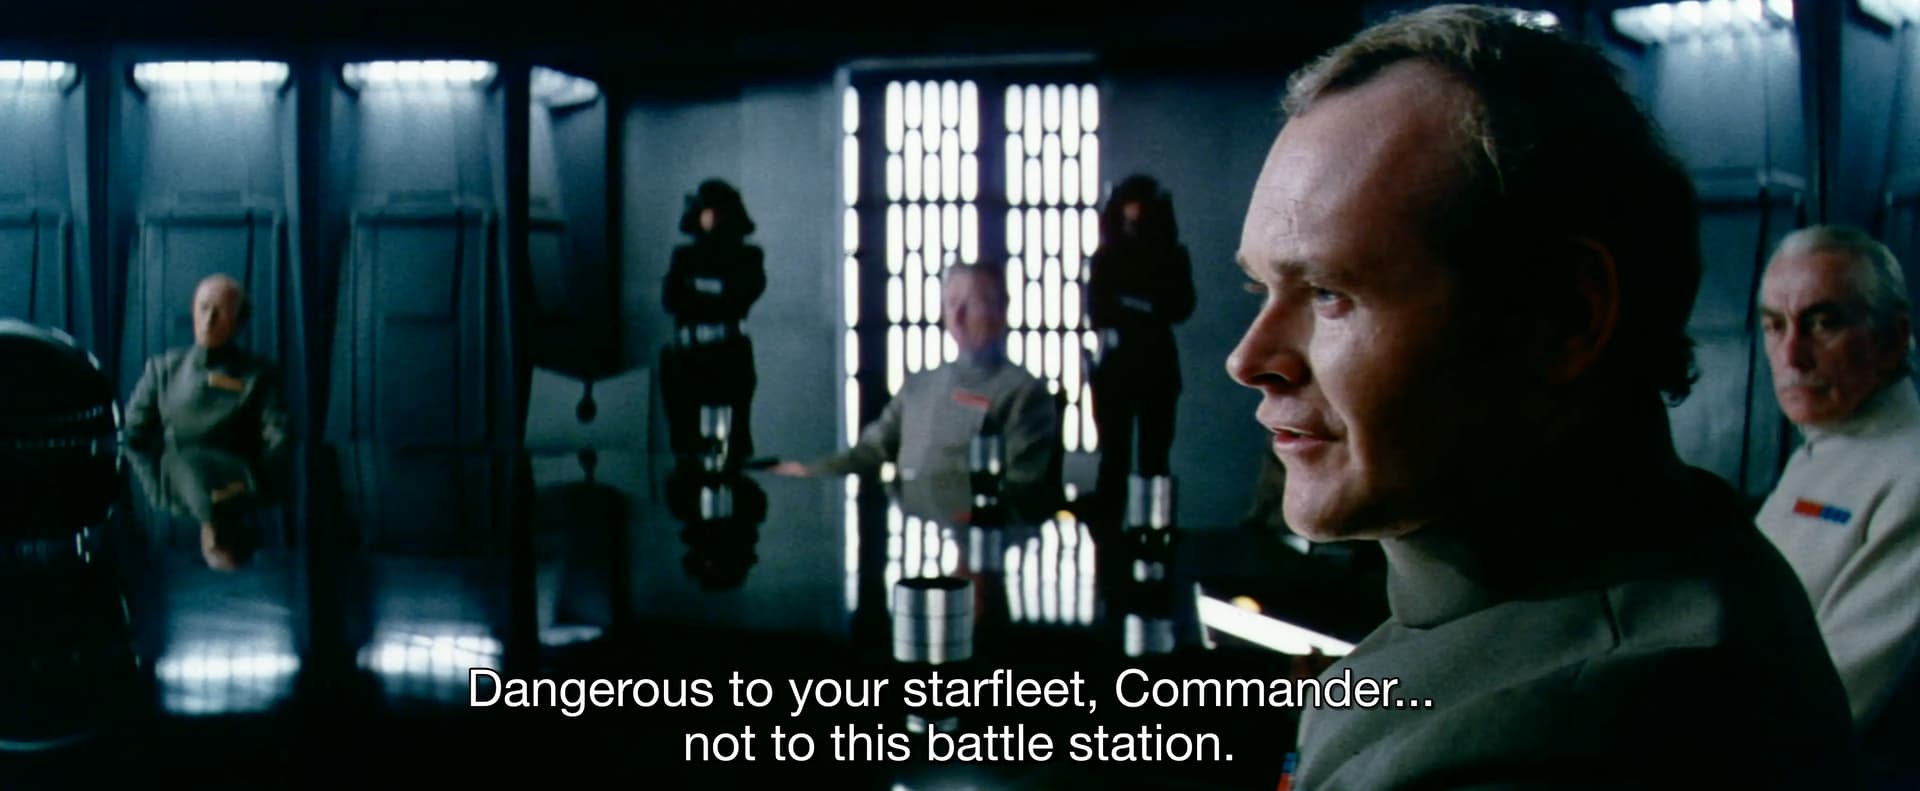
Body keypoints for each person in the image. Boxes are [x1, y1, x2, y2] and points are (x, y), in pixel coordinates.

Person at [1227, 6, 1860, 788]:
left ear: (1566, 315)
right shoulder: (1669, 555)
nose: (1249, 359)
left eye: (1329, 292)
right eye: (1260, 288)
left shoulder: (1568, 731)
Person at [1755, 225, 1920, 785]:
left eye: (1823, 323)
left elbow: (1833, 703)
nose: (1792, 356)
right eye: (1775, 326)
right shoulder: (1825, 443)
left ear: (1894, 338)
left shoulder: (1909, 472)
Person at [773, 261, 1061, 521]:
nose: (958, 315)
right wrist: (809, 473)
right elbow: (871, 450)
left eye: (972, 303)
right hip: (911, 525)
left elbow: (1023, 487)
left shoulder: (1024, 393)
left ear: (1001, 310)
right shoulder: (920, 384)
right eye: (951, 303)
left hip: (980, 530)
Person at [1086, 174, 1195, 529]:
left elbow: (1181, 306)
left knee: (1154, 460)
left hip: (1157, 369)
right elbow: (1097, 313)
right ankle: (1106, 539)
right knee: (1113, 458)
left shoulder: (1173, 256)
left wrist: (1129, 304)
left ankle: (1153, 534)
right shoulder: (1105, 258)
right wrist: (1148, 306)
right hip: (1115, 371)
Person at [660, 179, 766, 469]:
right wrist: (715, 291)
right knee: (685, 446)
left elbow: (737, 299)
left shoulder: (749, 256)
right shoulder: (684, 256)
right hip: (687, 356)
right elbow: (671, 300)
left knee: (735, 446)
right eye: (704, 210)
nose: (708, 218)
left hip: (728, 355)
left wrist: (697, 290)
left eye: (715, 211)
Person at [124, 274, 289, 458]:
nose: (209, 320)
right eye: (203, 308)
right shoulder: (162, 371)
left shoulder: (260, 375)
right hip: (174, 473)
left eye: (220, 311)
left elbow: (278, 440)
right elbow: (132, 434)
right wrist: (157, 476)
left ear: (238, 320)